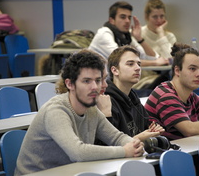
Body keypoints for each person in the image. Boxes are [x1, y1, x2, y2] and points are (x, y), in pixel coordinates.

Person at [14, 49, 144, 175]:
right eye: (86, 81)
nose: (95, 87)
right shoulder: (56, 111)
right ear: (70, 84)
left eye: (98, 80)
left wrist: (134, 145)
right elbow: (78, 152)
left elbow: (116, 137)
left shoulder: (91, 109)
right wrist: (124, 151)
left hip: (70, 171)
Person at [103, 45, 164, 142]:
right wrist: (139, 138)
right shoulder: (106, 100)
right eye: (130, 64)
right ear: (115, 70)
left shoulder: (133, 98)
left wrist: (153, 131)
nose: (138, 68)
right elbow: (110, 144)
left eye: (139, 64)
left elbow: (147, 127)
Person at [88, 1, 169, 67]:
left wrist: (139, 39)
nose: (127, 21)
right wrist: (154, 63)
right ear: (112, 20)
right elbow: (123, 61)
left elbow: (153, 57)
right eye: (123, 17)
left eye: (129, 17)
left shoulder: (125, 36)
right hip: (94, 83)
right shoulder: (104, 33)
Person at [133, 0, 177, 90]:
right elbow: (131, 60)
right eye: (155, 17)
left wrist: (161, 34)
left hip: (165, 79)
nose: (159, 20)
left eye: (162, 16)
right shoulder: (137, 34)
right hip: (142, 81)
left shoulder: (169, 37)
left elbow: (170, 61)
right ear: (147, 17)